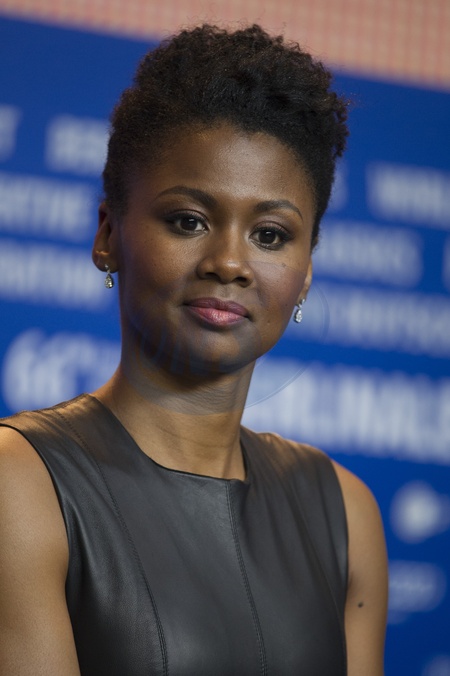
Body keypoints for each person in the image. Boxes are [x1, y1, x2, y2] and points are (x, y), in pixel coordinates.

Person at [0, 24, 388, 676]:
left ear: (306, 272)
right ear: (108, 234)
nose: (229, 262)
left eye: (270, 235)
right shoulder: (19, 484)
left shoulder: (344, 513)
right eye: (189, 221)